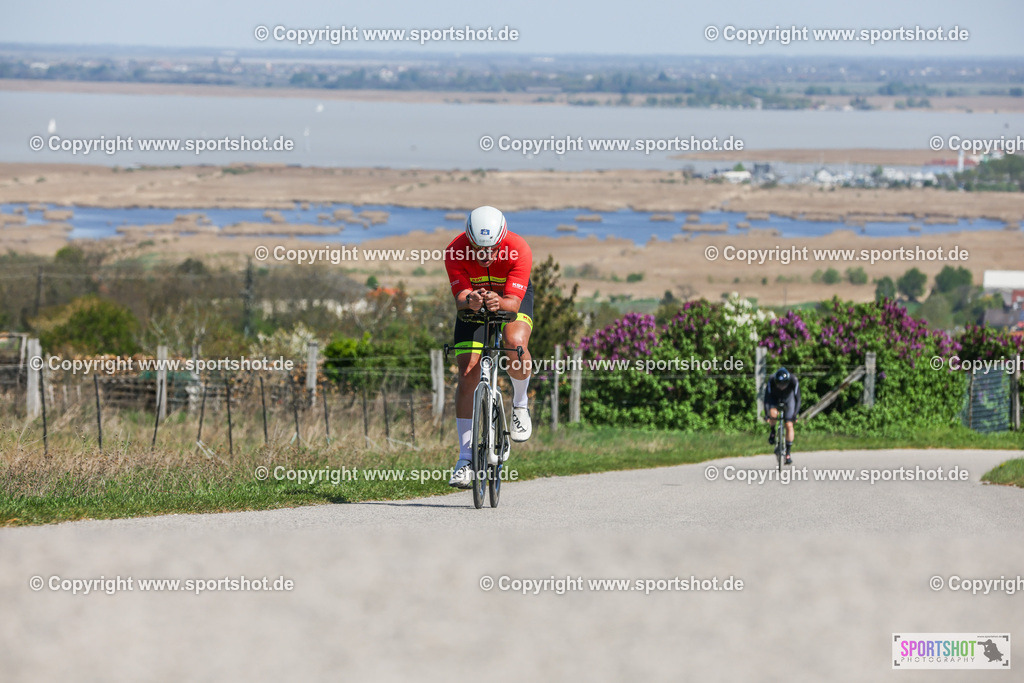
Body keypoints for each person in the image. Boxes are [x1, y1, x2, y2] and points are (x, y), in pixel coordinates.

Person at [444, 206, 534, 488]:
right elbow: (459, 297)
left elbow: (513, 304)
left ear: (502, 240)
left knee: (514, 344)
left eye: (493, 249)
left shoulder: (519, 248)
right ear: (468, 242)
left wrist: (500, 302)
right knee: (468, 371)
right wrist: (469, 299)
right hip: (475, 302)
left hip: (509, 297)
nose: (486, 256)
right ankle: (465, 458)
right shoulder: (454, 251)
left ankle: (520, 403)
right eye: (478, 250)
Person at [765, 367, 800, 464]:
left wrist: (795, 414)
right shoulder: (771, 379)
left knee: (789, 425)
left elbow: (798, 399)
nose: (781, 386)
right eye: (779, 384)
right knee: (772, 413)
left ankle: (788, 453)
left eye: (783, 384)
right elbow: (767, 399)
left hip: (789, 400)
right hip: (775, 398)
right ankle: (772, 431)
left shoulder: (793, 380)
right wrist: (767, 414)